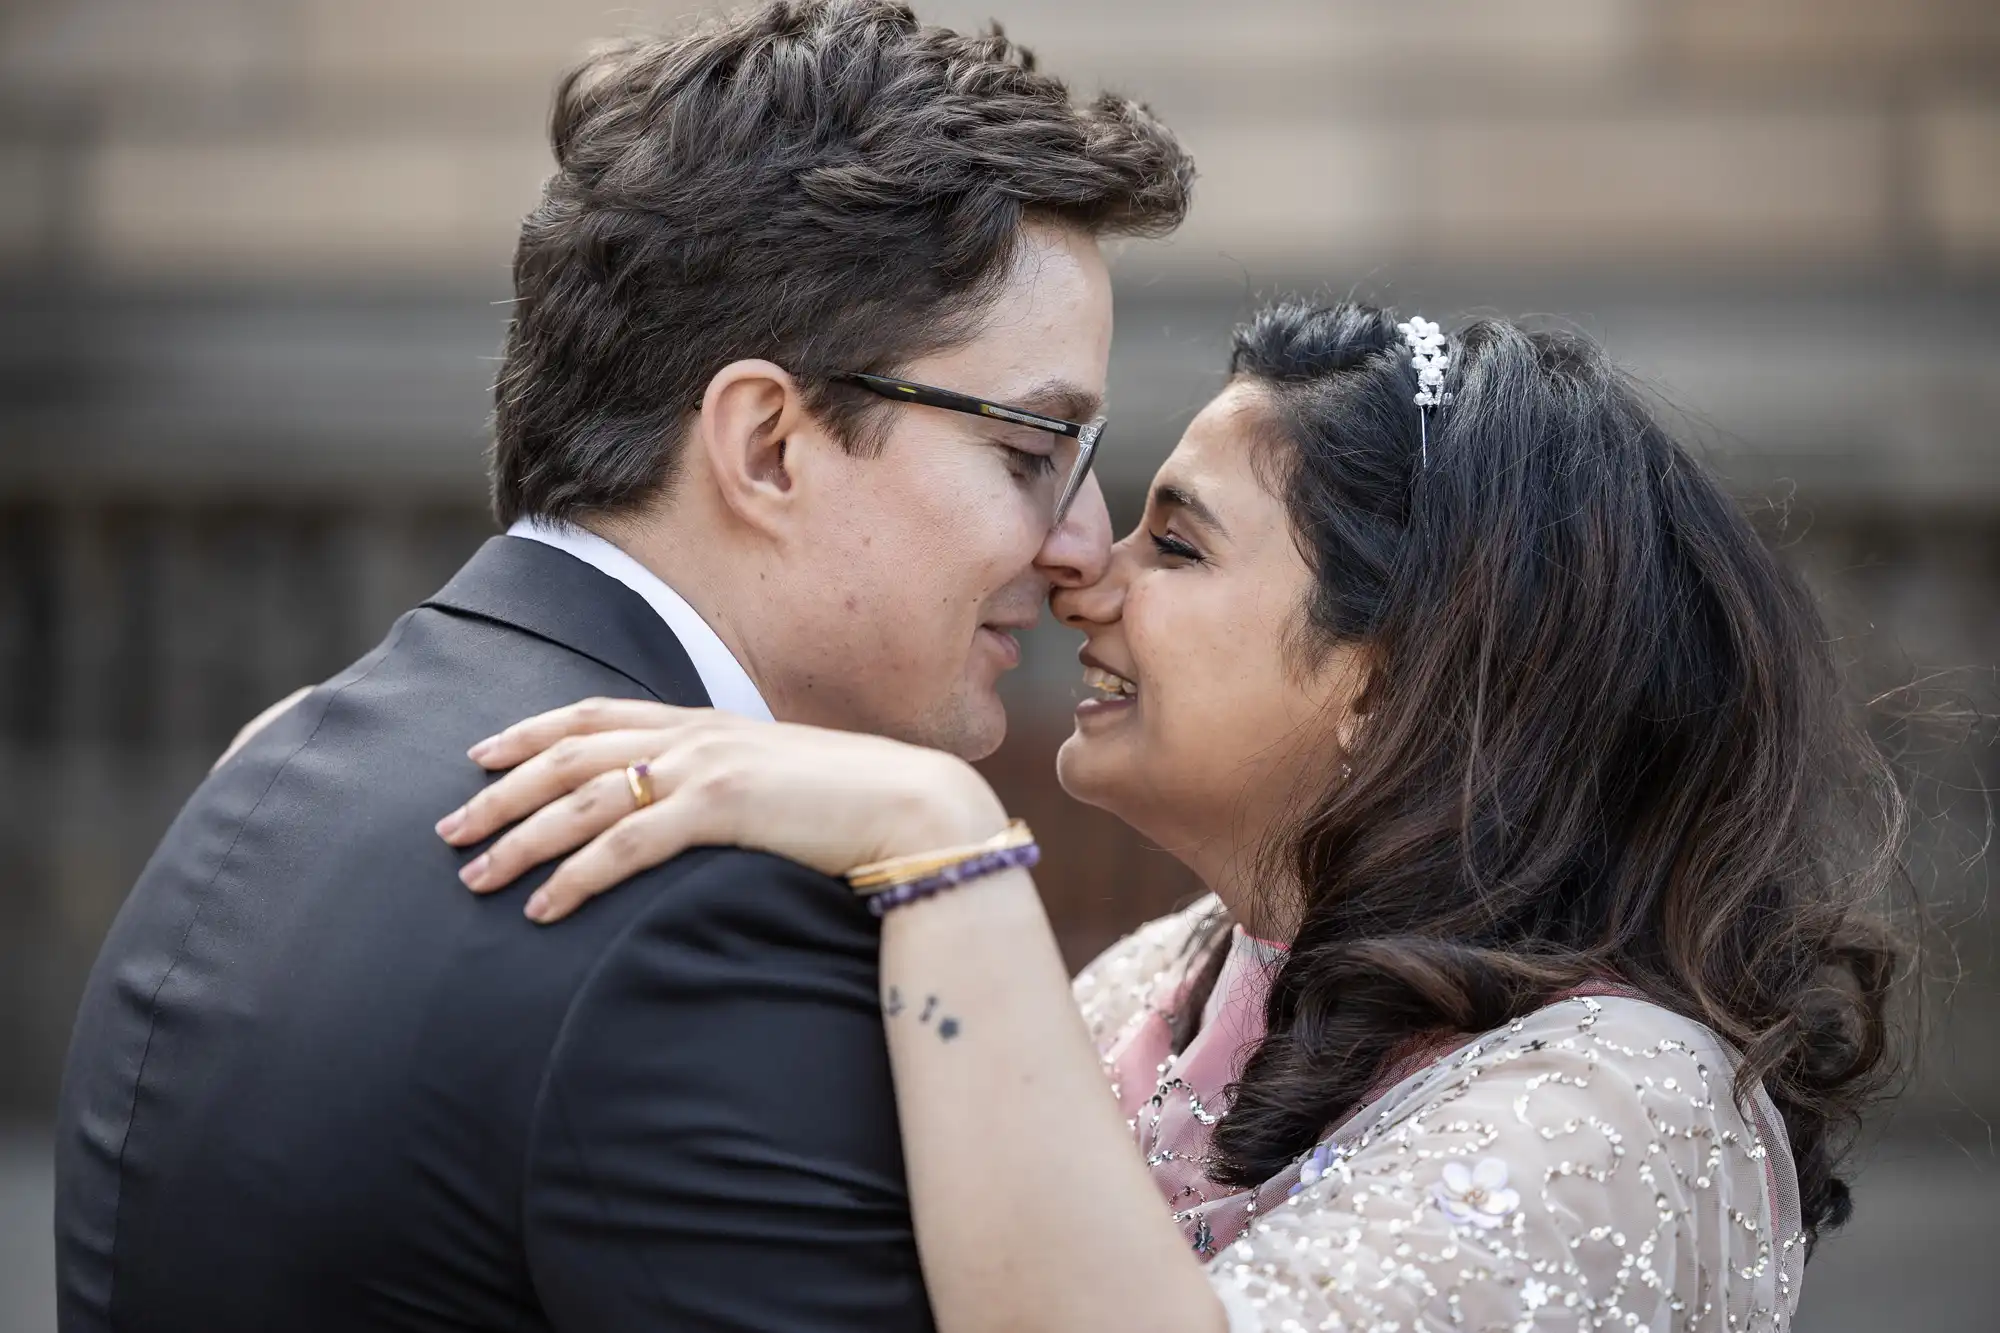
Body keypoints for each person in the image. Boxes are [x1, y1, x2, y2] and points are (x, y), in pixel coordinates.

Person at [436, 301, 1907, 1331]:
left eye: (1179, 540)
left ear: (1387, 684)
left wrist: (941, 840)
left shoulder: (1632, 1106)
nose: (1086, 573)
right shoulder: (1176, 976)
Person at [52, 4, 1191, 1329]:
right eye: (1030, 452)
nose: (1083, 544)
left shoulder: (281, 759)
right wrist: (954, 846)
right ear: (767, 443)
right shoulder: (694, 913)